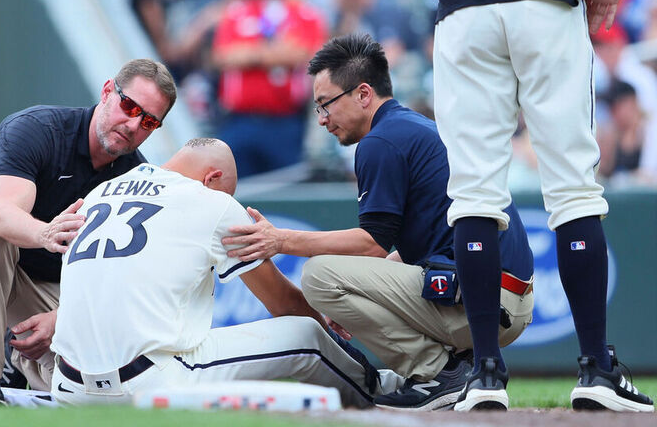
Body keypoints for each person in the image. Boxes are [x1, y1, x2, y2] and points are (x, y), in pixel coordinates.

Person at [344, 0, 657, 412]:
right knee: (573, 190)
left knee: (473, 196)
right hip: (548, 1)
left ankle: (485, 373)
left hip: (467, 9)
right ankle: (595, 370)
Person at [224, 35, 534, 411]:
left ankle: (439, 372)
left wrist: (280, 240)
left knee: (319, 276)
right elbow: (420, 239)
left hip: (485, 298)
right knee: (334, 282)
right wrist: (358, 298)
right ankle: (455, 369)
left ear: (364, 94)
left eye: (326, 105)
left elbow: (371, 243)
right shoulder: (410, 127)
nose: (322, 119)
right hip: (501, 297)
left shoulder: (381, 141)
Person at [49, 138, 400, 407]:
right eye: (227, 190)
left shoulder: (98, 193)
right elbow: (284, 305)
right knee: (307, 335)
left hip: (66, 386)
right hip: (149, 383)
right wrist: (329, 328)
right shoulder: (211, 200)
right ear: (213, 178)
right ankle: (385, 392)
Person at [0, 59, 177, 407]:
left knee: (88, 388)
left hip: (41, 286)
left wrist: (60, 320)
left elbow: (118, 276)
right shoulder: (37, 128)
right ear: (107, 91)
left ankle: (20, 364)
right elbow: (2, 214)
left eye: (148, 121)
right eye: (129, 106)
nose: (134, 124)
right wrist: (46, 234)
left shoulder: (136, 176)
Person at [211, 0, 327, 177]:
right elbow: (223, 56)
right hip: (240, 120)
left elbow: (307, 54)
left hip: (285, 121)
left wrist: (250, 54)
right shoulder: (237, 12)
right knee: (233, 188)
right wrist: (273, 53)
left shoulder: (305, 14)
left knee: (284, 192)